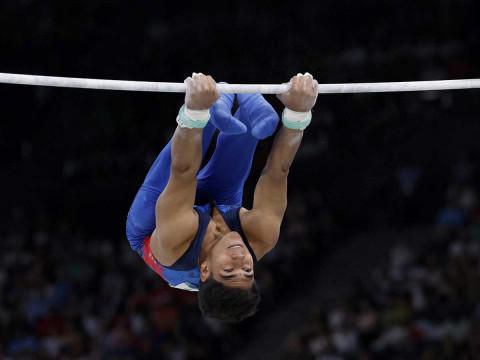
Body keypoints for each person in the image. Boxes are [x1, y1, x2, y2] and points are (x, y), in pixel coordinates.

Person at [126, 72, 318, 322]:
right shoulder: (260, 236)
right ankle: (239, 103)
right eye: (247, 271)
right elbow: (277, 173)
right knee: (250, 129)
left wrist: (194, 111)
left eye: (229, 270)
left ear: (205, 270)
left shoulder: (175, 242)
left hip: (151, 226)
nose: (240, 259)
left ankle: (221, 97)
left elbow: (183, 173)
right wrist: (297, 115)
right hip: (218, 207)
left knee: (200, 117)